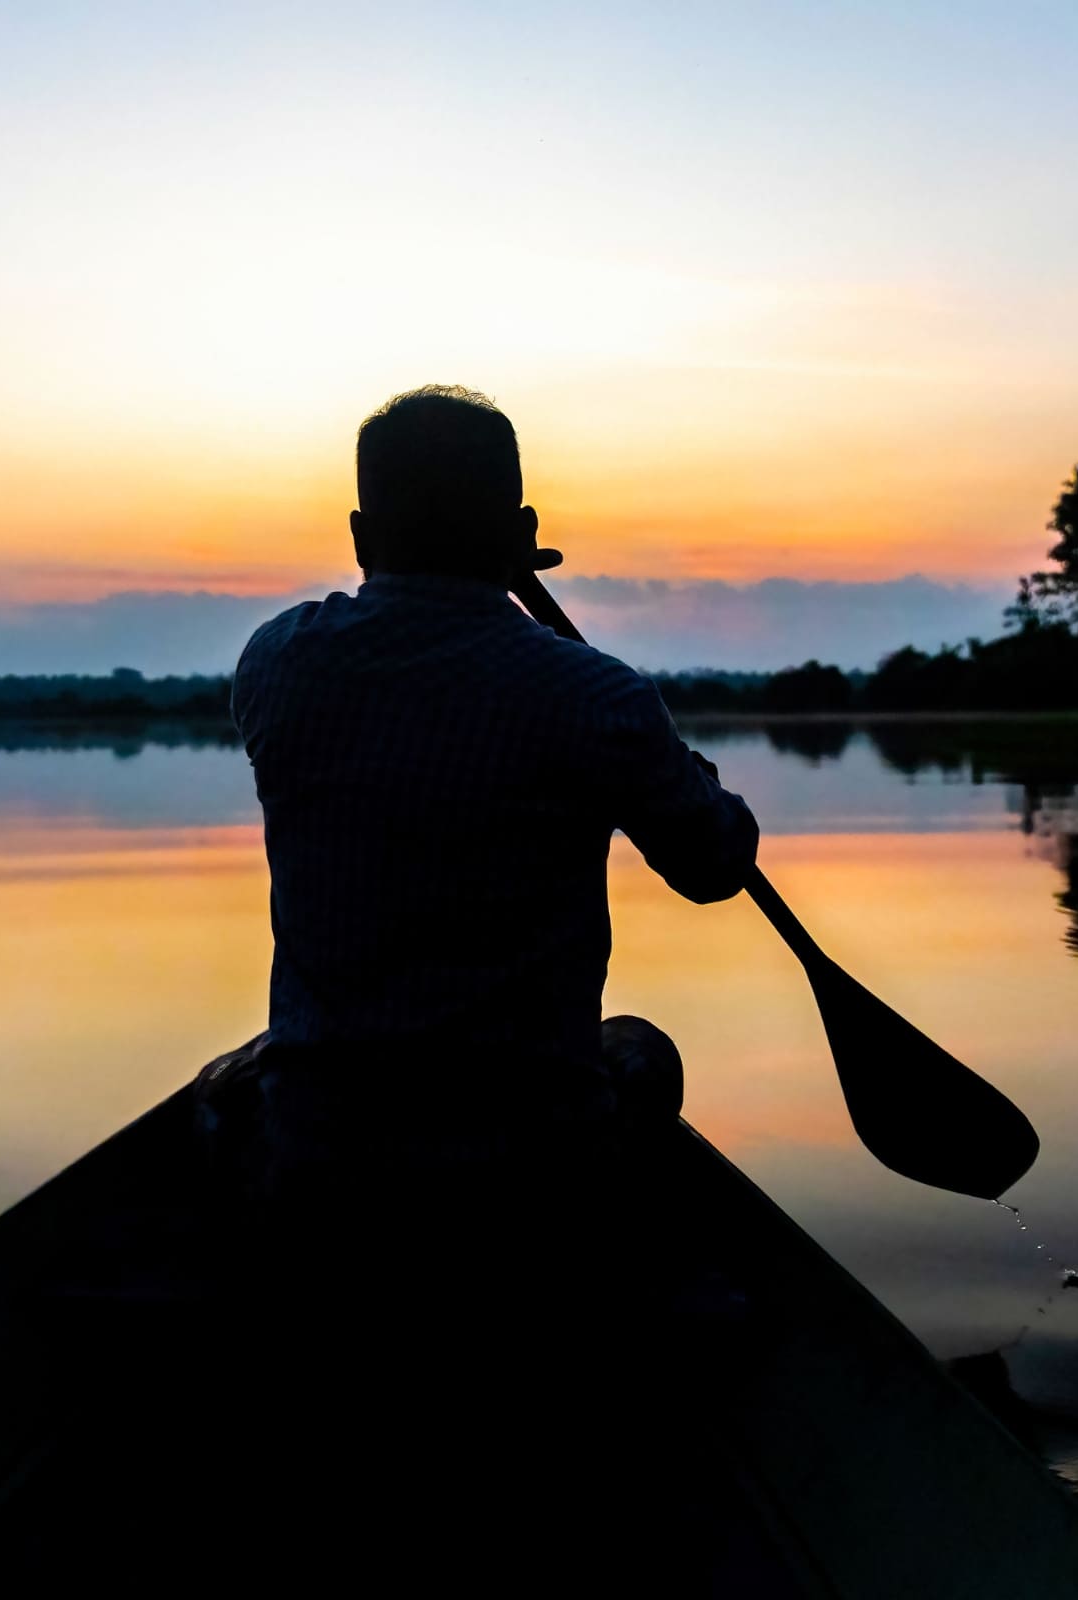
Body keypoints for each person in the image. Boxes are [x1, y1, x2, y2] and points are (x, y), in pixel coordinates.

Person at [204, 382, 758, 1223]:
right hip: (531, 1158)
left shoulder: (279, 662)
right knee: (641, 1048)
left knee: (251, 1070)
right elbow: (715, 866)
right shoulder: (599, 697)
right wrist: (693, 776)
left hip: (323, 1149)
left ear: (359, 536)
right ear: (525, 532)